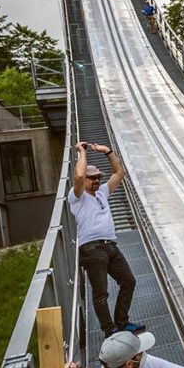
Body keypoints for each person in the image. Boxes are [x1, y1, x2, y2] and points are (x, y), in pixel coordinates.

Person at [69, 142, 143, 337]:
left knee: (128, 281)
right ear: (85, 179)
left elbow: (119, 173)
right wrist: (82, 152)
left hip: (111, 246)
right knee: (101, 293)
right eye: (92, 178)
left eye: (98, 177)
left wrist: (108, 152)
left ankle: (122, 322)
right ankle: (110, 331)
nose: (96, 180)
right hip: (91, 249)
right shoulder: (77, 197)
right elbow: (77, 175)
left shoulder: (102, 192)